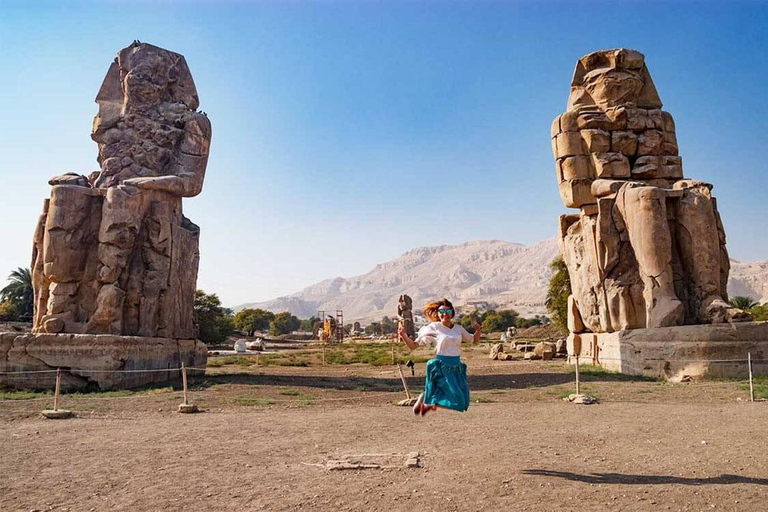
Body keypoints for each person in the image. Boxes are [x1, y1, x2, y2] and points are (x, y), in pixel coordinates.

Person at [398, 298, 482, 416]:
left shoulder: (458, 328)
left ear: (452, 313)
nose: (445, 315)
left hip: (456, 367)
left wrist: (478, 331)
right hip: (441, 367)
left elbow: (474, 340)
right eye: (441, 312)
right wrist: (403, 335)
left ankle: (427, 400)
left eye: (448, 312)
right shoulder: (433, 328)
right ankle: (428, 400)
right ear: (438, 314)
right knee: (454, 398)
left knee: (463, 402)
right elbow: (413, 346)